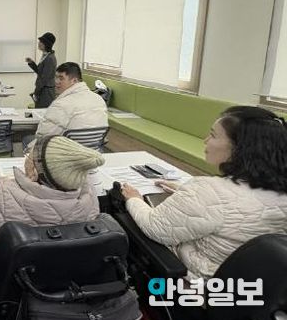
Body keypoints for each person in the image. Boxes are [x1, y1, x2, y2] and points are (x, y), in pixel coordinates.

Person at [121, 106, 287, 279]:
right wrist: (185, 192)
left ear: (240, 148)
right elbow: (240, 203)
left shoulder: (208, 191)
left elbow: (155, 227)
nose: (205, 140)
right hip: (250, 284)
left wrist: (134, 198)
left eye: (213, 135)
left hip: (197, 280)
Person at [0, 135, 104, 305]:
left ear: (33, 171)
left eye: (29, 156)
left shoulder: (3, 196)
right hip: (66, 294)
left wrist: (0, 188)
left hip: (7, 298)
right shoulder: (90, 198)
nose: (27, 159)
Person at [35, 61, 108, 140]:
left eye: (61, 78)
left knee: (28, 139)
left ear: (74, 81)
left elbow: (42, 135)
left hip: (68, 147)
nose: (56, 81)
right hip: (94, 147)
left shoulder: (61, 104)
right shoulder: (99, 99)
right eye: (56, 77)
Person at [25, 32, 57, 109]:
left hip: (46, 92)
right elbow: (40, 72)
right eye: (39, 41)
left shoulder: (50, 58)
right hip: (43, 90)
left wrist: (36, 92)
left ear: (47, 44)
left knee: (41, 112)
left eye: (41, 42)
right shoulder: (46, 55)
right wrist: (32, 63)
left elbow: (44, 79)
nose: (39, 43)